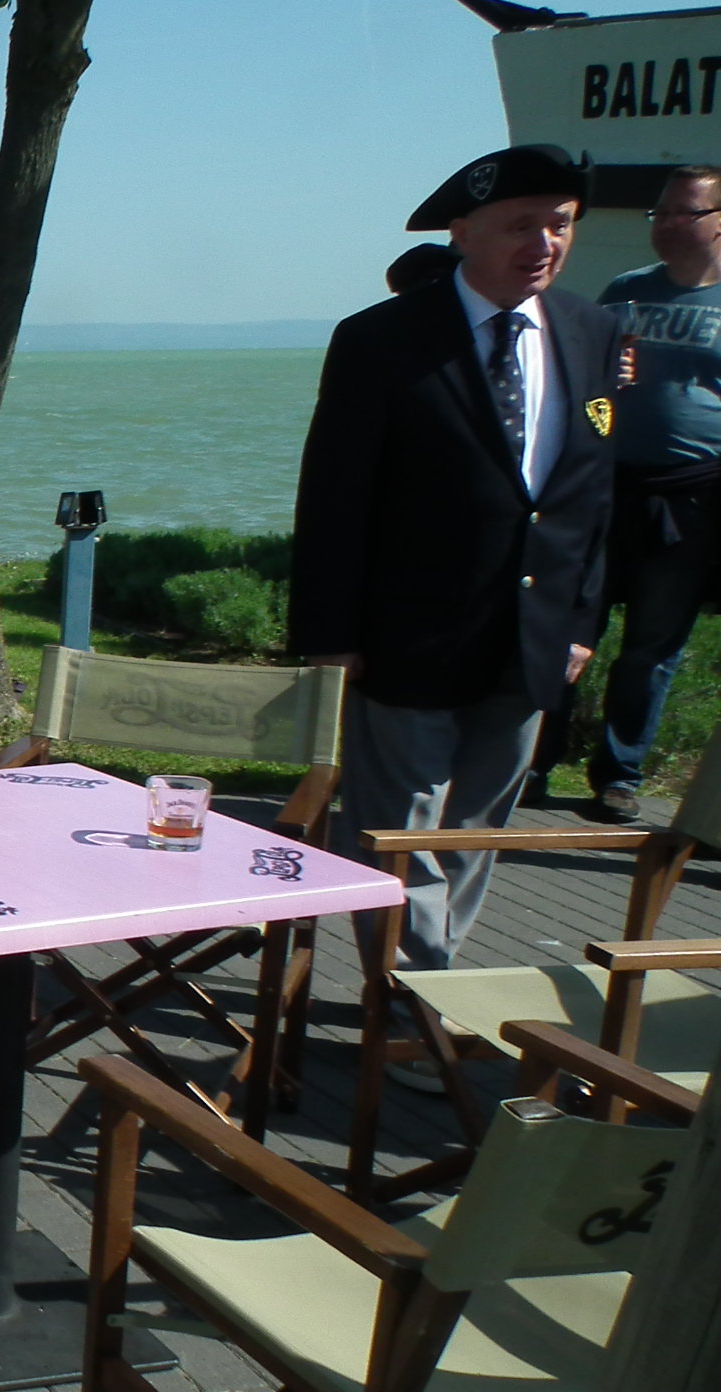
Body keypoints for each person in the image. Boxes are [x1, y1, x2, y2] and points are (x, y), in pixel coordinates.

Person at [289, 145, 620, 1005]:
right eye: (521, 225)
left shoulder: (591, 331)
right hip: (409, 631)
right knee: (400, 826)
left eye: (560, 225)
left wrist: (583, 621)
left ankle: (428, 985)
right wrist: (331, 633)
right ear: (464, 232)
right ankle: (415, 1000)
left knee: (475, 826)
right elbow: (335, 496)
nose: (543, 243)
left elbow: (591, 494)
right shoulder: (383, 339)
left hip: (535, 635)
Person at [582, 165, 721, 822]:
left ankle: (618, 774)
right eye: (658, 214)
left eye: (682, 213)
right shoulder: (626, 290)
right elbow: (584, 379)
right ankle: (530, 762)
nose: (664, 225)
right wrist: (606, 374)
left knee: (653, 645)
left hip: (692, 496)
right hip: (609, 485)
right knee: (569, 624)